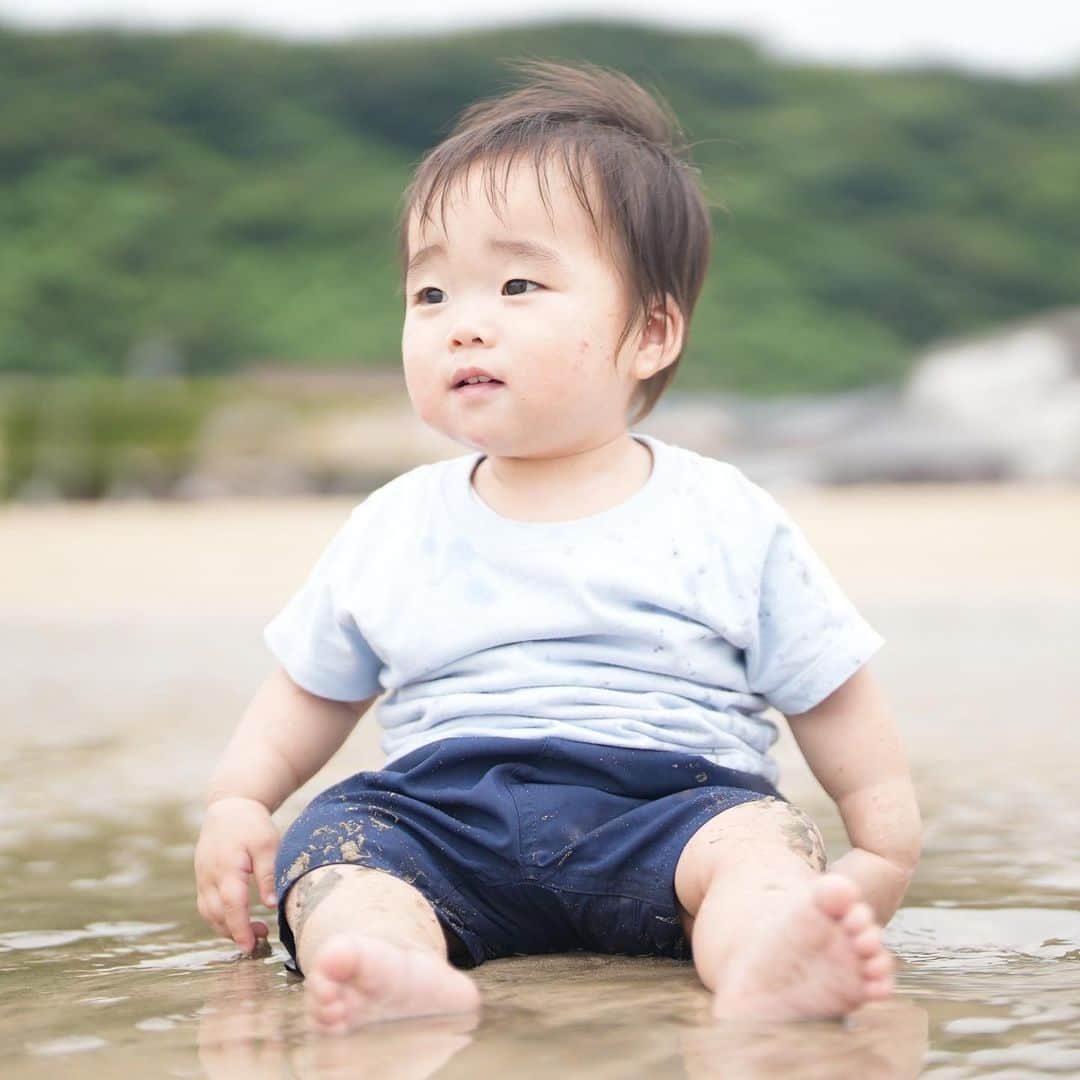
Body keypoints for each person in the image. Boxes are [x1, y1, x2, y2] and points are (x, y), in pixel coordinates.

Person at [194, 59, 921, 1035]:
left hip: (670, 808)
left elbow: (827, 685)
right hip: (439, 815)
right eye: (432, 294)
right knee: (337, 856)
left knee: (758, 857)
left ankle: (770, 959)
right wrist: (243, 799)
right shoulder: (394, 522)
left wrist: (881, 845)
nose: (464, 325)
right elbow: (313, 688)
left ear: (652, 331)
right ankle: (390, 968)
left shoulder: (723, 513)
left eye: (518, 282)